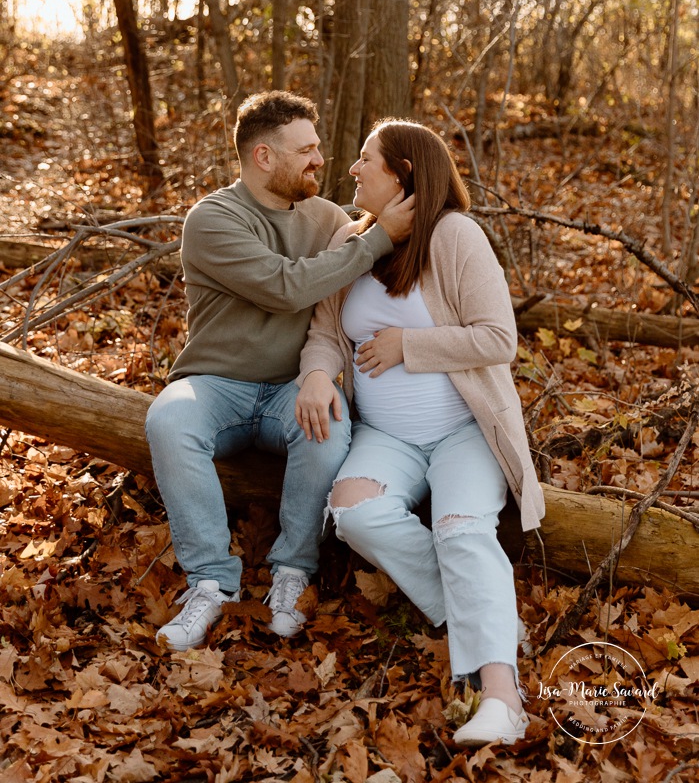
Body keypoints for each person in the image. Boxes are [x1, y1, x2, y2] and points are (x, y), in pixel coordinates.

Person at [295, 119, 545, 747]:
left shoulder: (455, 236)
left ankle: (502, 697)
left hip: (464, 429)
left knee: (461, 528)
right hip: (387, 437)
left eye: (365, 160)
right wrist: (320, 375)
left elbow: (499, 339)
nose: (352, 170)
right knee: (352, 513)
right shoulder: (354, 243)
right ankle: (480, 613)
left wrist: (410, 344)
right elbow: (325, 332)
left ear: (404, 174)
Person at [146, 91, 414, 651]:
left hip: (291, 392)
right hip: (215, 384)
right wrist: (378, 237)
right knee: (169, 421)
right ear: (264, 157)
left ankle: (292, 571)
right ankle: (211, 583)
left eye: (319, 148)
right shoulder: (214, 219)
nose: (321, 160)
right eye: (307, 150)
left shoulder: (329, 219)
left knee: (330, 429)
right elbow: (286, 289)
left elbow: (357, 295)